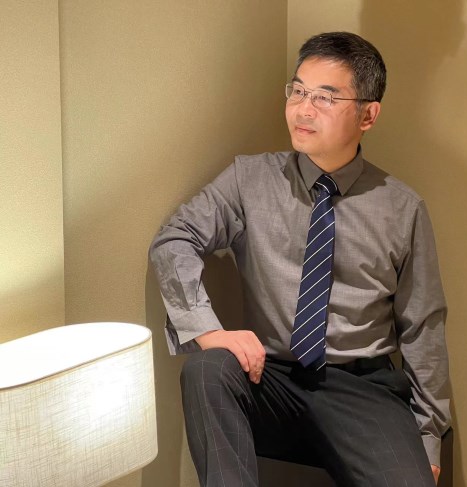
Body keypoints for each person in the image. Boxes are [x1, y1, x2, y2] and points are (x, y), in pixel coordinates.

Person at [150, 31, 450, 487]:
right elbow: (175, 238)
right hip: (269, 378)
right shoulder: (249, 178)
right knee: (207, 369)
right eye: (298, 91)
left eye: (326, 97)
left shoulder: (402, 208)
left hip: (363, 389)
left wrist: (428, 436)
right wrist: (207, 330)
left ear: (368, 115)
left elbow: (423, 325)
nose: (303, 109)